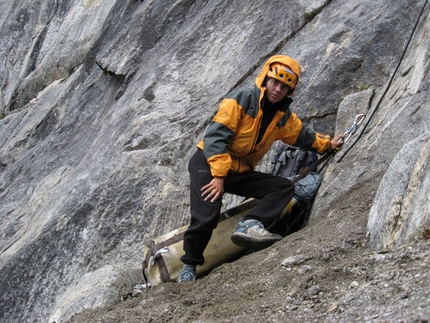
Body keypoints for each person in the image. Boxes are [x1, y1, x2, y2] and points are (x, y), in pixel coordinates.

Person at [177, 55, 344, 282]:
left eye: (284, 87)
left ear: (290, 91)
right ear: (265, 78)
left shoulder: (281, 116)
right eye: (275, 82)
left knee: (282, 187)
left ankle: (251, 224)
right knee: (207, 215)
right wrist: (218, 176)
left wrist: (328, 144)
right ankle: (189, 267)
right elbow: (215, 137)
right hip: (208, 162)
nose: (277, 89)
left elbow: (302, 135)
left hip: (238, 170)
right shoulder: (242, 99)